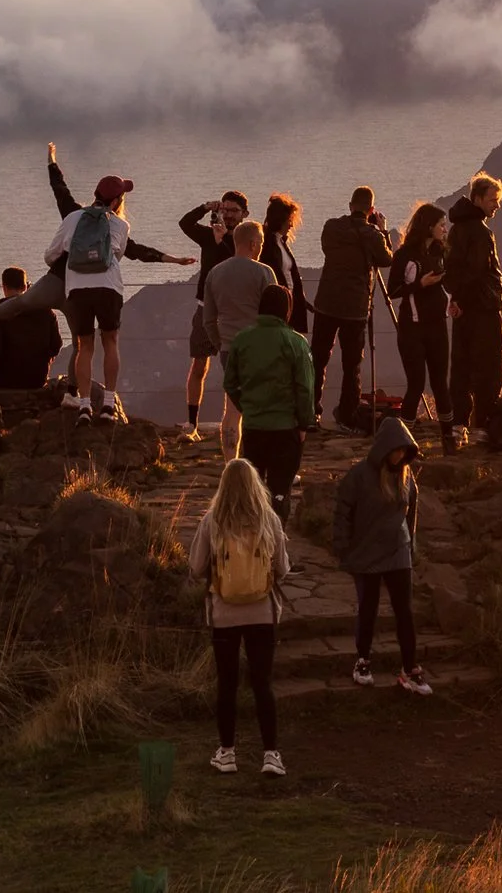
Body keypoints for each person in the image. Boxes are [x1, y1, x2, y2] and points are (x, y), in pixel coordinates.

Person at [43, 175, 193, 421]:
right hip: (108, 288)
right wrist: (174, 260)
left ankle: (83, 405)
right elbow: (125, 253)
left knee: (85, 345)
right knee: (110, 342)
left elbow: (50, 255)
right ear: (116, 201)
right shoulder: (120, 225)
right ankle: (109, 405)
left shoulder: (73, 218)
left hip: (78, 289)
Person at [0, 142, 180, 327]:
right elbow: (138, 251)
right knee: (80, 345)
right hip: (80, 289)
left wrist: (52, 162)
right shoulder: (115, 227)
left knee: (20, 303)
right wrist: (174, 260)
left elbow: (60, 190)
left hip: (56, 280)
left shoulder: (74, 214)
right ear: (116, 202)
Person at [186, 457, 292, 778]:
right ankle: (271, 754)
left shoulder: (212, 521)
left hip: (224, 615)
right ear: (254, 486)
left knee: (228, 685)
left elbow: (195, 567)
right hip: (262, 612)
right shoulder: (268, 520)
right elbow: (283, 569)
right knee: (262, 683)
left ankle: (227, 753)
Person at [333, 417, 431, 695]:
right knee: (369, 608)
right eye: (396, 449)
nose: (400, 455)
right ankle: (363, 660)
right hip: (366, 550)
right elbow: (343, 510)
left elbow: (411, 510)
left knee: (405, 612)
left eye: (404, 451)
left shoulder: (406, 475)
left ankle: (410, 668)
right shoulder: (359, 476)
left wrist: (410, 543)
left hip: (398, 550)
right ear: (384, 448)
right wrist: (342, 545)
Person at [221, 283, 315, 517]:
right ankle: (277, 540)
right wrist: (304, 424)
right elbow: (305, 388)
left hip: (254, 427)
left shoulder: (242, 340)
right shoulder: (296, 342)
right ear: (287, 311)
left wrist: (247, 407)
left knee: (252, 490)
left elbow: (230, 383)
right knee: (280, 492)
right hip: (287, 429)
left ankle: (253, 540)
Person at [311, 187, 396, 429]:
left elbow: (326, 248)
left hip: (326, 303)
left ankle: (311, 412)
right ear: (371, 210)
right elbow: (387, 259)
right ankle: (347, 416)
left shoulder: (331, 227)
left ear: (350, 205)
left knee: (317, 359)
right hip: (355, 309)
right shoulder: (372, 235)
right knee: (351, 365)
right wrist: (382, 230)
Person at [175, 190, 249, 442]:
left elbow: (240, 263)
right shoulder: (208, 235)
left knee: (237, 368)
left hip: (234, 312)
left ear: (244, 215)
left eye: (233, 211)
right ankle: (191, 423)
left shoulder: (246, 239)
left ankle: (235, 423)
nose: (228, 215)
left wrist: (222, 241)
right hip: (205, 306)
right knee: (199, 365)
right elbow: (184, 223)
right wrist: (205, 207)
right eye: (225, 210)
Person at [441, 174, 502, 450]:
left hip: (463, 309)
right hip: (484, 307)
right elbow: (478, 271)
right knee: (489, 368)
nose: (496, 205)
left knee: (461, 366)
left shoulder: (456, 229)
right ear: (478, 199)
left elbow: (451, 270)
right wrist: (466, 300)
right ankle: (483, 426)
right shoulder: (482, 232)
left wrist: (456, 299)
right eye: (493, 200)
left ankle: (459, 425)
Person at [201, 219, 277, 456]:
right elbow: (276, 316)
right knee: (263, 409)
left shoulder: (215, 273)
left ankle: (230, 465)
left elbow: (208, 319)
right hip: (259, 349)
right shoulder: (264, 273)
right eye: (262, 242)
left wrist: (220, 343)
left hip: (229, 349)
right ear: (254, 244)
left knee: (232, 409)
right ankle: (261, 465)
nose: (262, 247)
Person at [386, 202, 452, 452]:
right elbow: (393, 290)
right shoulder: (404, 255)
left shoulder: (442, 252)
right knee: (416, 383)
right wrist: (419, 285)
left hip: (438, 325)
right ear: (428, 227)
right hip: (412, 327)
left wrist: (454, 301)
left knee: (440, 384)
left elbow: (450, 283)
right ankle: (403, 445)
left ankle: (449, 440)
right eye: (441, 225)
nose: (445, 229)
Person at [0, 267, 63, 391]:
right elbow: (56, 345)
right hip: (37, 378)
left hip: (7, 379)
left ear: (4, 287)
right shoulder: (46, 311)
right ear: (25, 287)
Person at [258, 195, 309, 336]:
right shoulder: (267, 244)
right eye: (290, 220)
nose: (291, 225)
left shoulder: (280, 242)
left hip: (289, 303)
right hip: (277, 307)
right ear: (280, 220)